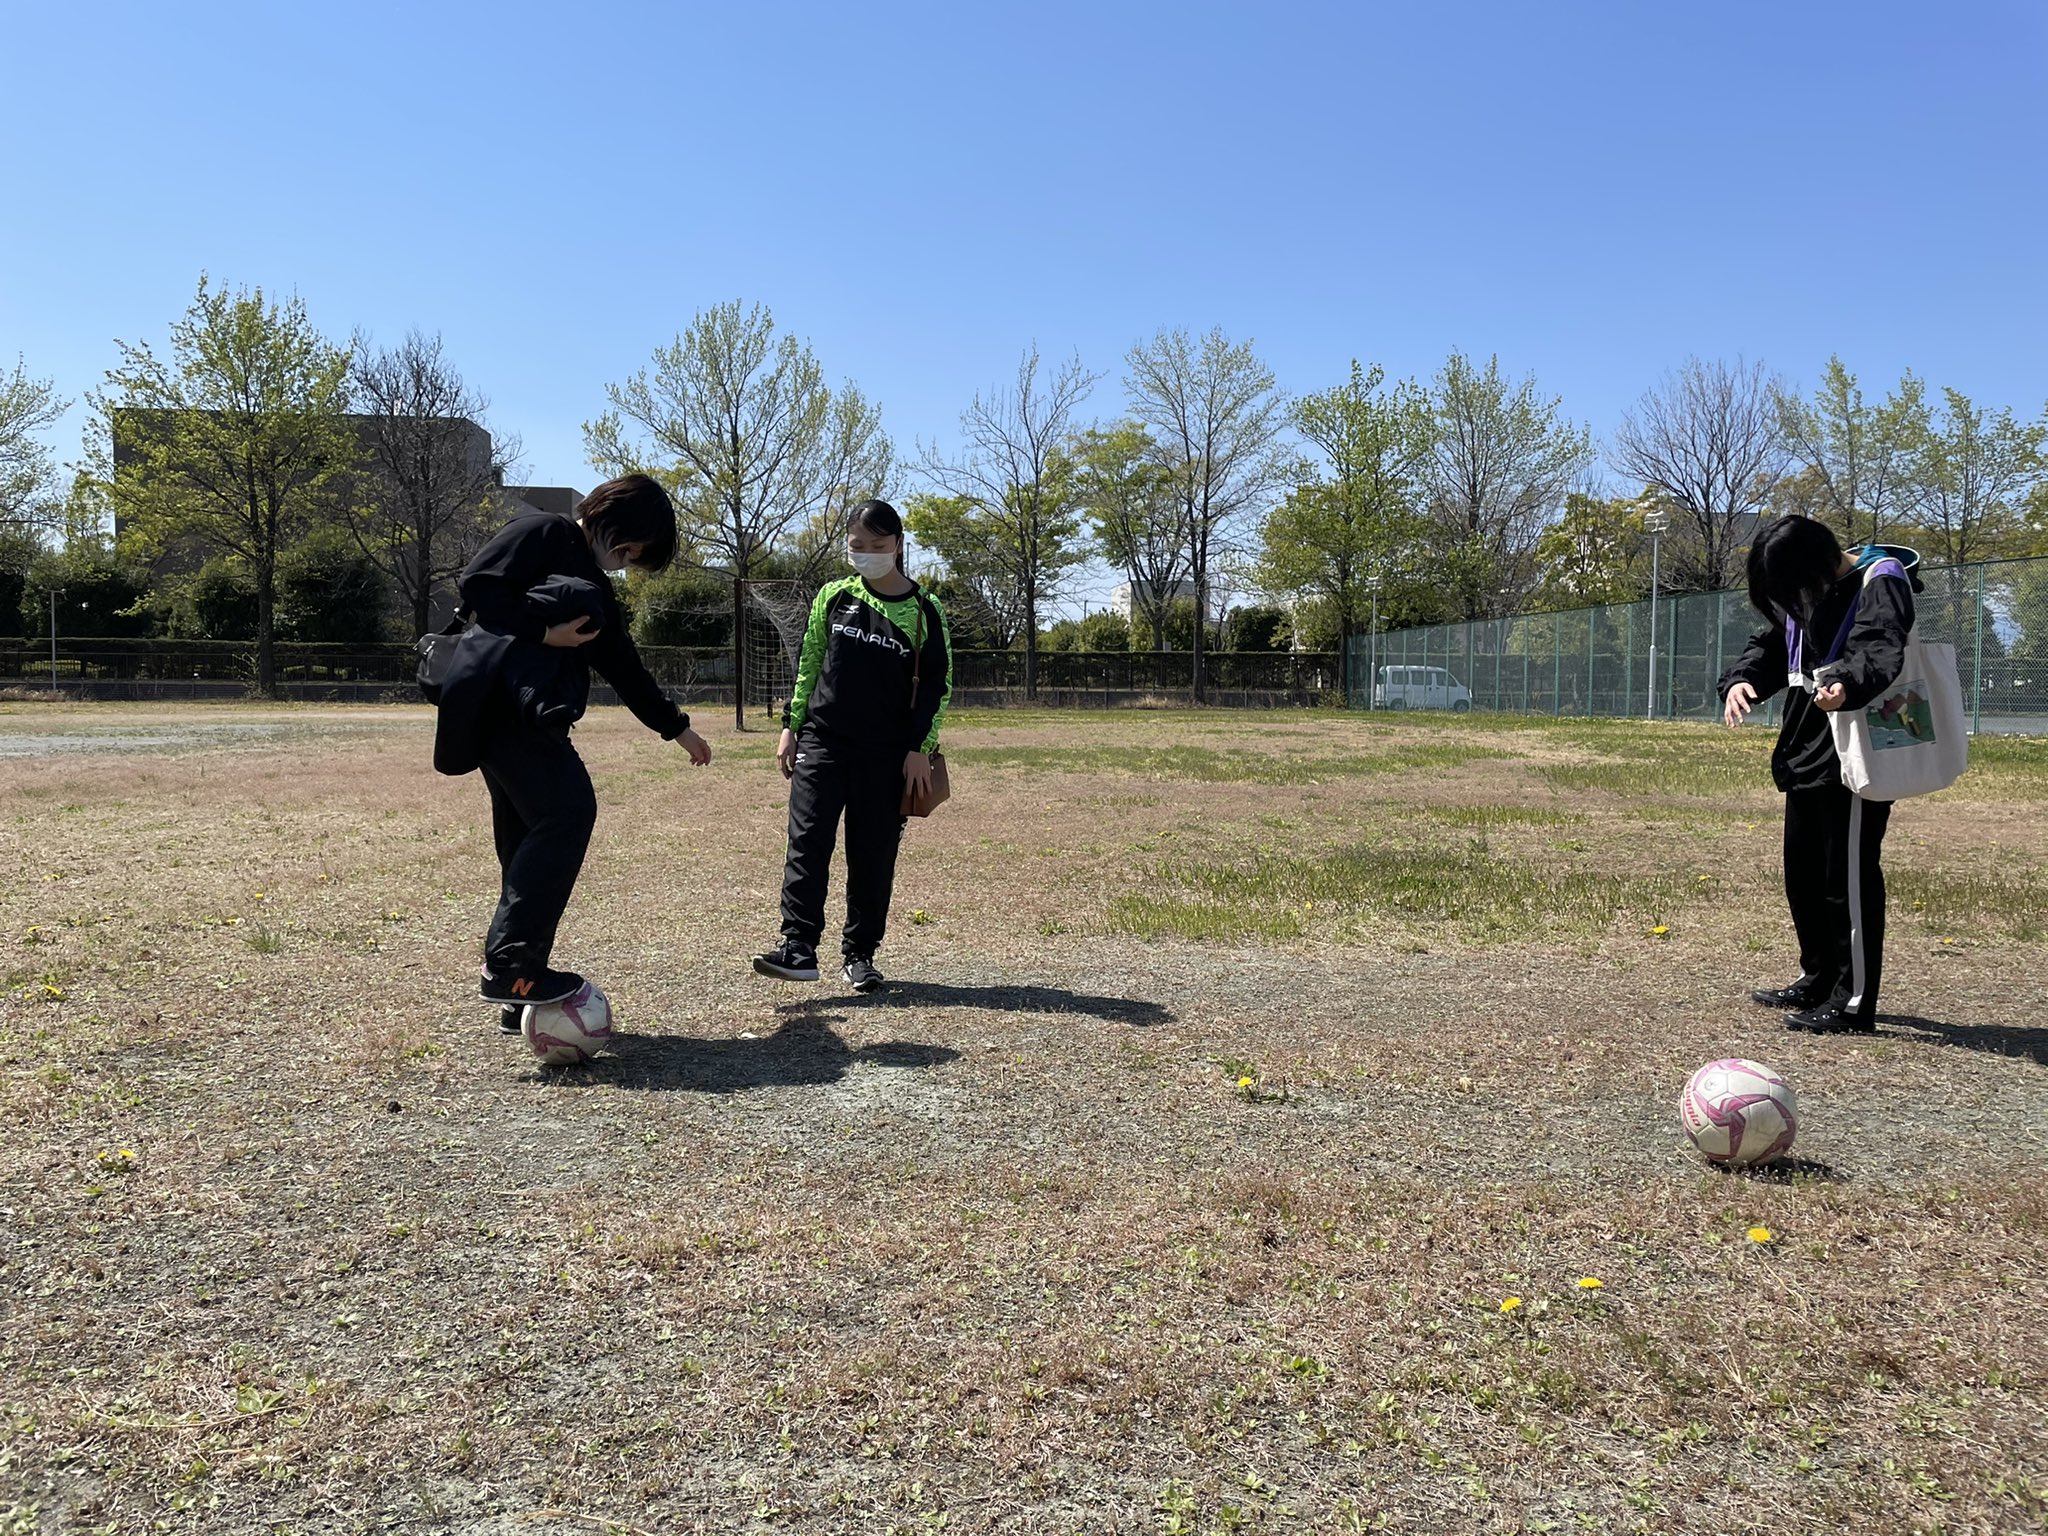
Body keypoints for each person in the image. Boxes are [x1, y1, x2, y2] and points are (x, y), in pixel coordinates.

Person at [452, 474, 712, 1022]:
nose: (632, 558)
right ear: (622, 526)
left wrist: (677, 728)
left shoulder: (595, 583)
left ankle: (519, 985)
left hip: (532, 720)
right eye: (638, 548)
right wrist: (544, 635)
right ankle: (509, 966)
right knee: (568, 812)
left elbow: (623, 666)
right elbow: (479, 585)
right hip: (501, 711)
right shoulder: (543, 530)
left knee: (526, 841)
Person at [1718, 515, 1918, 1034]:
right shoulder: (1809, 591)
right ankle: (1819, 975)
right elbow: (1775, 644)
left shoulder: (1881, 579)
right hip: (1805, 751)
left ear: (1815, 564)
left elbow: (1880, 644)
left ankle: (1853, 1002)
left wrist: (1849, 683)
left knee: (1845, 879)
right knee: (1803, 876)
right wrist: (1742, 680)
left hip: (1853, 755)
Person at [753, 499, 951, 994]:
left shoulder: (925, 612)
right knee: (807, 842)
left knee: (873, 854)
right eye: (857, 546)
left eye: (878, 546)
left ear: (899, 546)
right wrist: (790, 724)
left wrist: (917, 749)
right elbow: (810, 662)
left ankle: (860, 955)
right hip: (822, 742)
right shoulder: (833, 597)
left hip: (888, 754)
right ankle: (798, 947)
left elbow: (937, 687)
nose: (866, 554)